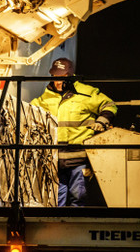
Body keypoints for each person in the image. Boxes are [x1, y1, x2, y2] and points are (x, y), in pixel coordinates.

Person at [31, 58, 117, 206]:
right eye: (55, 77)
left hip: (79, 158)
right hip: (55, 158)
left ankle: (73, 222)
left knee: (78, 196)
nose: (57, 82)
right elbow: (27, 110)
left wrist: (102, 121)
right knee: (57, 199)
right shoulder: (45, 97)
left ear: (70, 75)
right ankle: (58, 226)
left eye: (61, 77)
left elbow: (109, 105)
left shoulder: (86, 93)